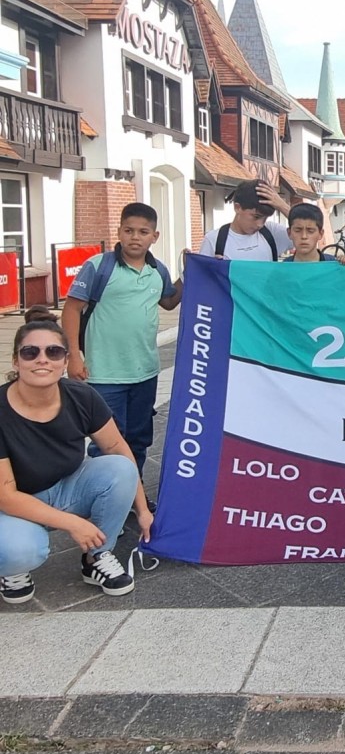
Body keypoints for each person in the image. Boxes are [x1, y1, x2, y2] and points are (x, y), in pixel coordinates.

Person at [0, 308, 153, 604]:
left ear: (65, 361)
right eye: (30, 352)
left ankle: (97, 557)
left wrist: (143, 509)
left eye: (54, 352)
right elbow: (6, 496)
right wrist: (74, 524)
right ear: (15, 361)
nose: (42, 359)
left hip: (65, 487)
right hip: (13, 502)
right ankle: (12, 568)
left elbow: (117, 448)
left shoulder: (81, 396)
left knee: (120, 468)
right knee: (20, 551)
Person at [62, 203, 182, 482]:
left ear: (155, 236)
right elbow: (71, 309)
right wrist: (74, 356)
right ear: (119, 231)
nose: (135, 237)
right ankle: (104, 498)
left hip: (145, 373)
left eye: (143, 232)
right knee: (106, 443)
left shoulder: (157, 270)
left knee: (138, 439)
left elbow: (169, 300)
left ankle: (132, 495)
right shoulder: (98, 267)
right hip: (104, 373)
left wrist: (192, 273)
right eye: (128, 230)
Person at [198, 180, 292, 261]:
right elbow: (200, 277)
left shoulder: (272, 232)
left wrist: (283, 206)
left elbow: (305, 229)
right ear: (237, 207)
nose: (260, 224)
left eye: (265, 218)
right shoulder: (214, 240)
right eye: (256, 217)